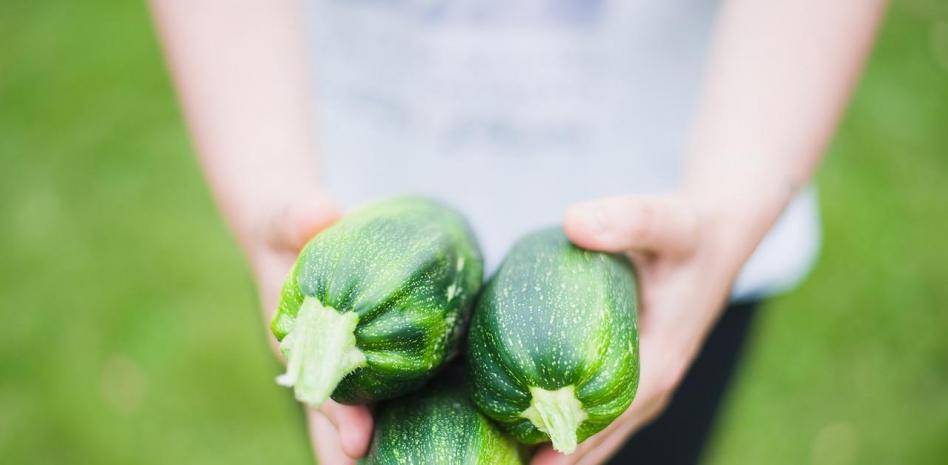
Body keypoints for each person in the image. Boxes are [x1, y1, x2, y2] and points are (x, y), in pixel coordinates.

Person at [150, 1, 886, 463]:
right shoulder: (329, 293)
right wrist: (265, 193)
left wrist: (731, 210)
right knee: (342, 415)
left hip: (685, 224)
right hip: (344, 199)